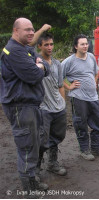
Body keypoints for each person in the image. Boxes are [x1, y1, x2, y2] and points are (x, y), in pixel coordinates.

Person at [0, 18, 49, 196]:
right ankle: (28, 189)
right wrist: (39, 66)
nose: (31, 33)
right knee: (27, 146)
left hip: (29, 105)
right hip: (20, 107)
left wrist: (40, 64)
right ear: (15, 31)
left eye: (32, 29)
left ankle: (33, 181)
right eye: (27, 30)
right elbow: (34, 75)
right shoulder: (14, 51)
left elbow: (45, 69)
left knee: (34, 143)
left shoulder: (24, 48)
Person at [62, 34, 99, 161]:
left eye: (86, 44)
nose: (85, 46)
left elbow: (96, 72)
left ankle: (96, 147)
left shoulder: (90, 57)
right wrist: (69, 86)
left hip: (93, 97)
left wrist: (94, 83)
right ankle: (84, 150)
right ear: (75, 46)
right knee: (81, 123)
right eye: (82, 44)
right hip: (78, 97)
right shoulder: (69, 61)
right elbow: (58, 76)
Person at [36, 32, 67, 176]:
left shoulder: (57, 64)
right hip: (43, 107)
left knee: (57, 136)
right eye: (46, 44)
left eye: (51, 44)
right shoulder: (36, 63)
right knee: (42, 140)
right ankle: (35, 169)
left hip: (58, 106)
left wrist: (63, 103)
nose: (50, 47)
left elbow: (61, 85)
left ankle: (52, 163)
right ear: (39, 46)